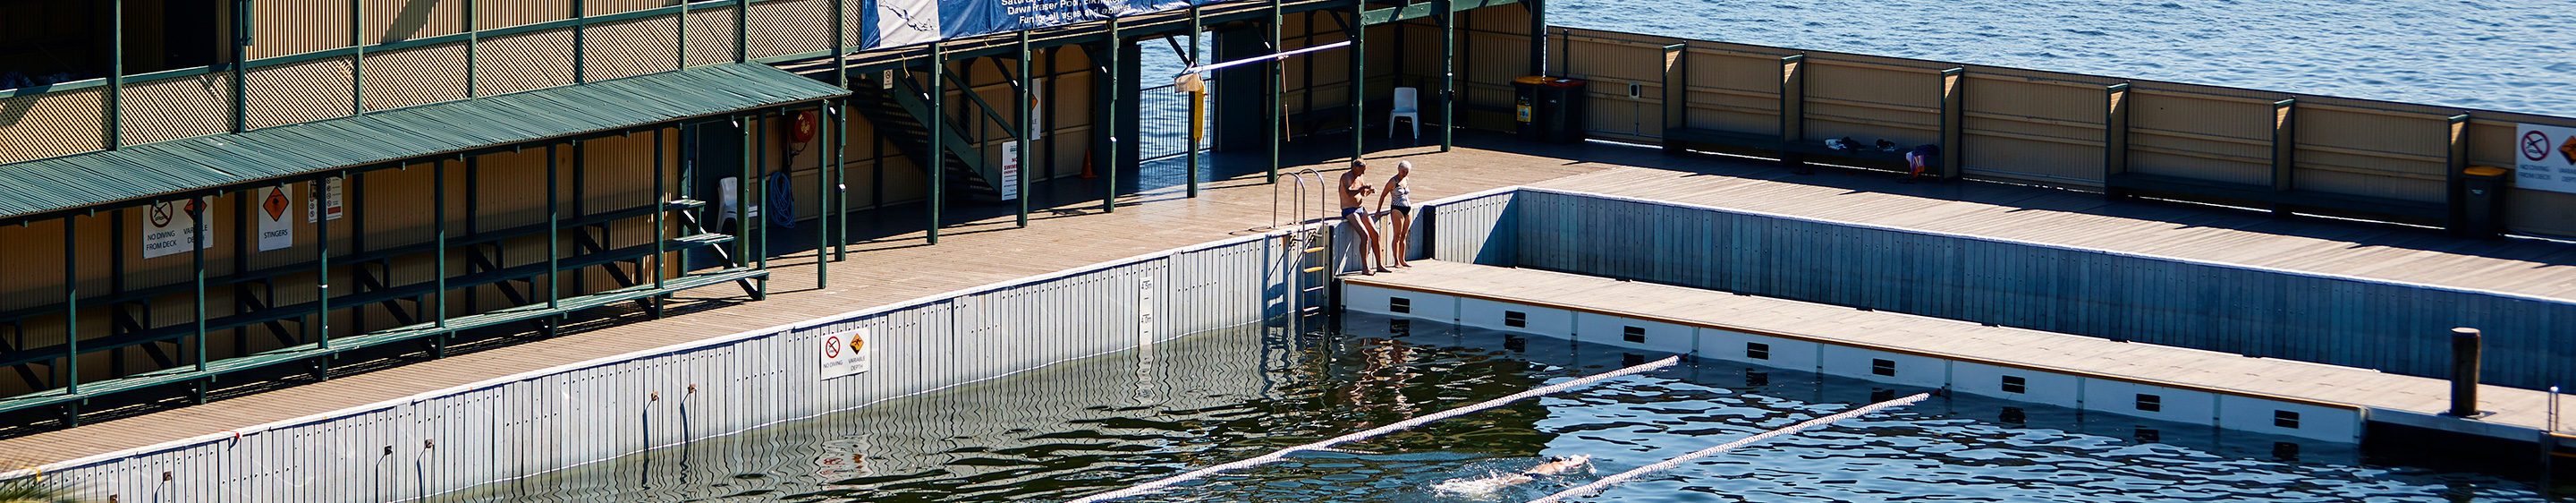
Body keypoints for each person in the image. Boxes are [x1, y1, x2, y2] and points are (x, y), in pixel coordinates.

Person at [1430, 455, 1593, 496]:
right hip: (1533, 478)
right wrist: (1584, 458)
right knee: (1503, 484)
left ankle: (1469, 485)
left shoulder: (1548, 464)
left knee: (1501, 480)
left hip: (1528, 473)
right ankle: (1480, 489)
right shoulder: (1561, 465)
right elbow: (1575, 462)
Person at [1339, 160, 1391, 275]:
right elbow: (1349, 193)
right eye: (1362, 170)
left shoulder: (1360, 176)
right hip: (1349, 209)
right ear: (1355, 168)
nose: (1363, 173)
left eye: (1364, 170)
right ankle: (1365, 267)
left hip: (1360, 208)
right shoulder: (1346, 176)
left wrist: (1368, 191)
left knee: (1375, 234)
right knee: (1365, 235)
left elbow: (1362, 194)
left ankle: (1380, 265)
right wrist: (1363, 187)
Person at [1374, 161, 1418, 269]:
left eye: (1407, 172)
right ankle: (1396, 260)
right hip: (1397, 209)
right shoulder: (1393, 182)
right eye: (1403, 171)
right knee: (1397, 235)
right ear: (1399, 170)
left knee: (1404, 235)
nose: (1405, 174)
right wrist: (1378, 210)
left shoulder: (1406, 179)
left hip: (1407, 208)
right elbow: (1383, 195)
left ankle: (1403, 259)